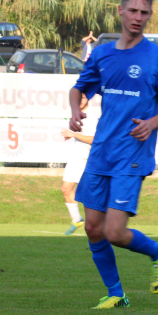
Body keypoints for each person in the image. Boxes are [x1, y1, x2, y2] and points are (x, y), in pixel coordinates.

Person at [68, 0, 158, 310]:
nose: (138, 17)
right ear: (120, 11)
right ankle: (116, 293)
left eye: (144, 12)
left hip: (132, 153)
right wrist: (76, 111)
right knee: (92, 228)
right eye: (133, 10)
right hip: (101, 151)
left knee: (114, 232)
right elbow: (78, 89)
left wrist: (152, 122)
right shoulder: (101, 54)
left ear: (149, 16)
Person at [61, 93, 97, 235]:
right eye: (78, 98)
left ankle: (104, 222)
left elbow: (94, 139)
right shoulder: (79, 114)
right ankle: (77, 219)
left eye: (82, 98)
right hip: (77, 157)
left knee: (91, 194)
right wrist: (72, 134)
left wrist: (73, 134)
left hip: (87, 159)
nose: (80, 101)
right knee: (66, 189)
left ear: (87, 98)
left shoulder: (91, 116)